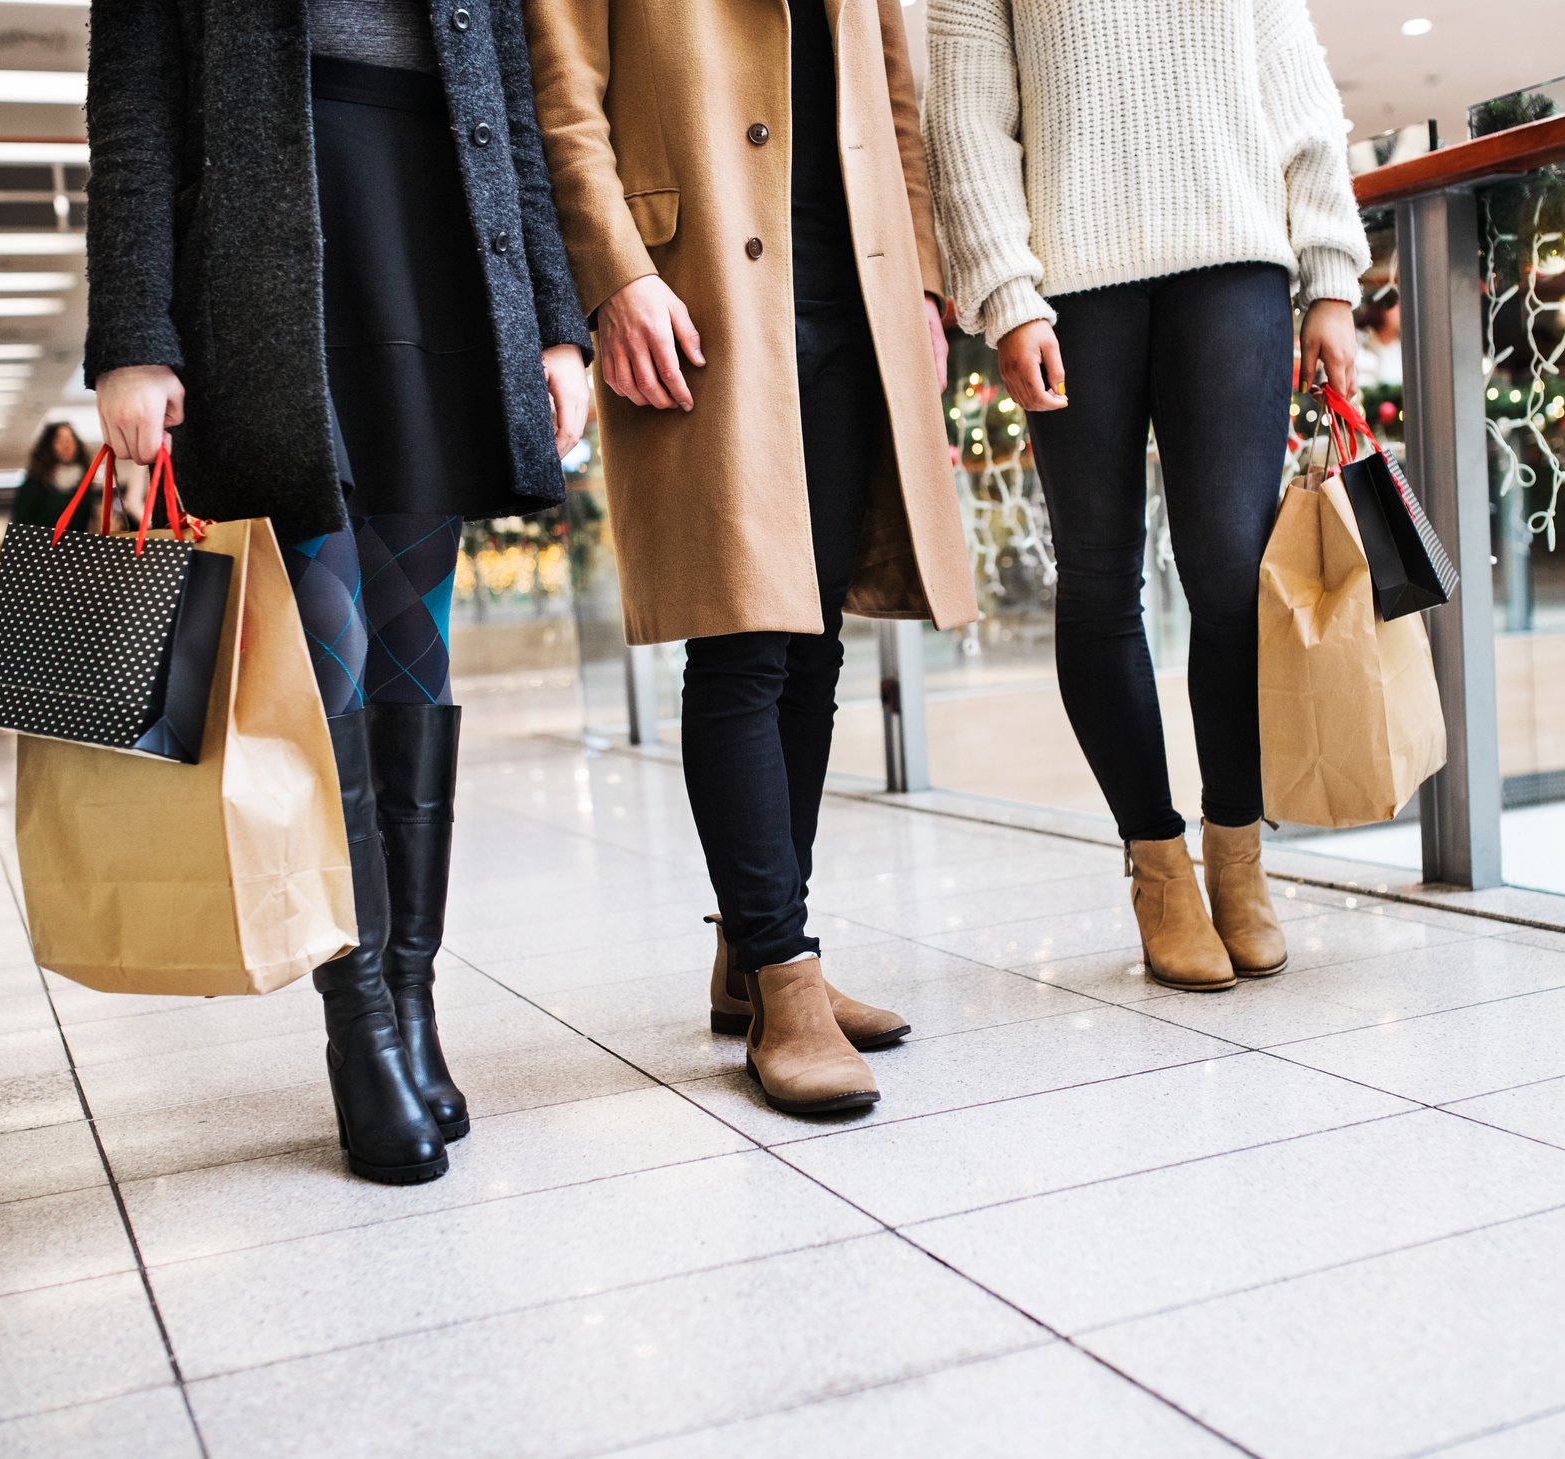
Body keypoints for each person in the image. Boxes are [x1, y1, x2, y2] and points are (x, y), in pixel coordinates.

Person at [85, 0, 592, 1184]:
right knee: (331, 665)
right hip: (271, 275)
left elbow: (509, 99)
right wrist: (131, 334)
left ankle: (412, 1000)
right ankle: (358, 1021)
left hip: (444, 249)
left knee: (418, 650)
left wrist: (554, 322)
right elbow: (136, 108)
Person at [524, 0, 978, 1113]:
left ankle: (753, 952)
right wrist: (611, 273)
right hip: (700, 286)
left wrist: (922, 280)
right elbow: (563, 89)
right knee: (742, 643)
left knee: (812, 643)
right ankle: (785, 973)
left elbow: (896, 99)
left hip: (850, 291)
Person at [926, 0, 1371, 990]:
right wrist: (1003, 292)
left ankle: (1238, 857)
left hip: (1233, 261)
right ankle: (1158, 869)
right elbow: (963, 119)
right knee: (1097, 576)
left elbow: (1295, 90)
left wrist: (1330, 281)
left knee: (1232, 575)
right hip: (1067, 288)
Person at [7, 422, 92, 532]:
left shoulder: (84, 483)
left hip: (77, 547)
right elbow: (20, 524)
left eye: (71, 438)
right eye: (60, 439)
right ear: (49, 445)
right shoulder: (34, 483)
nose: (67, 444)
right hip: (41, 547)